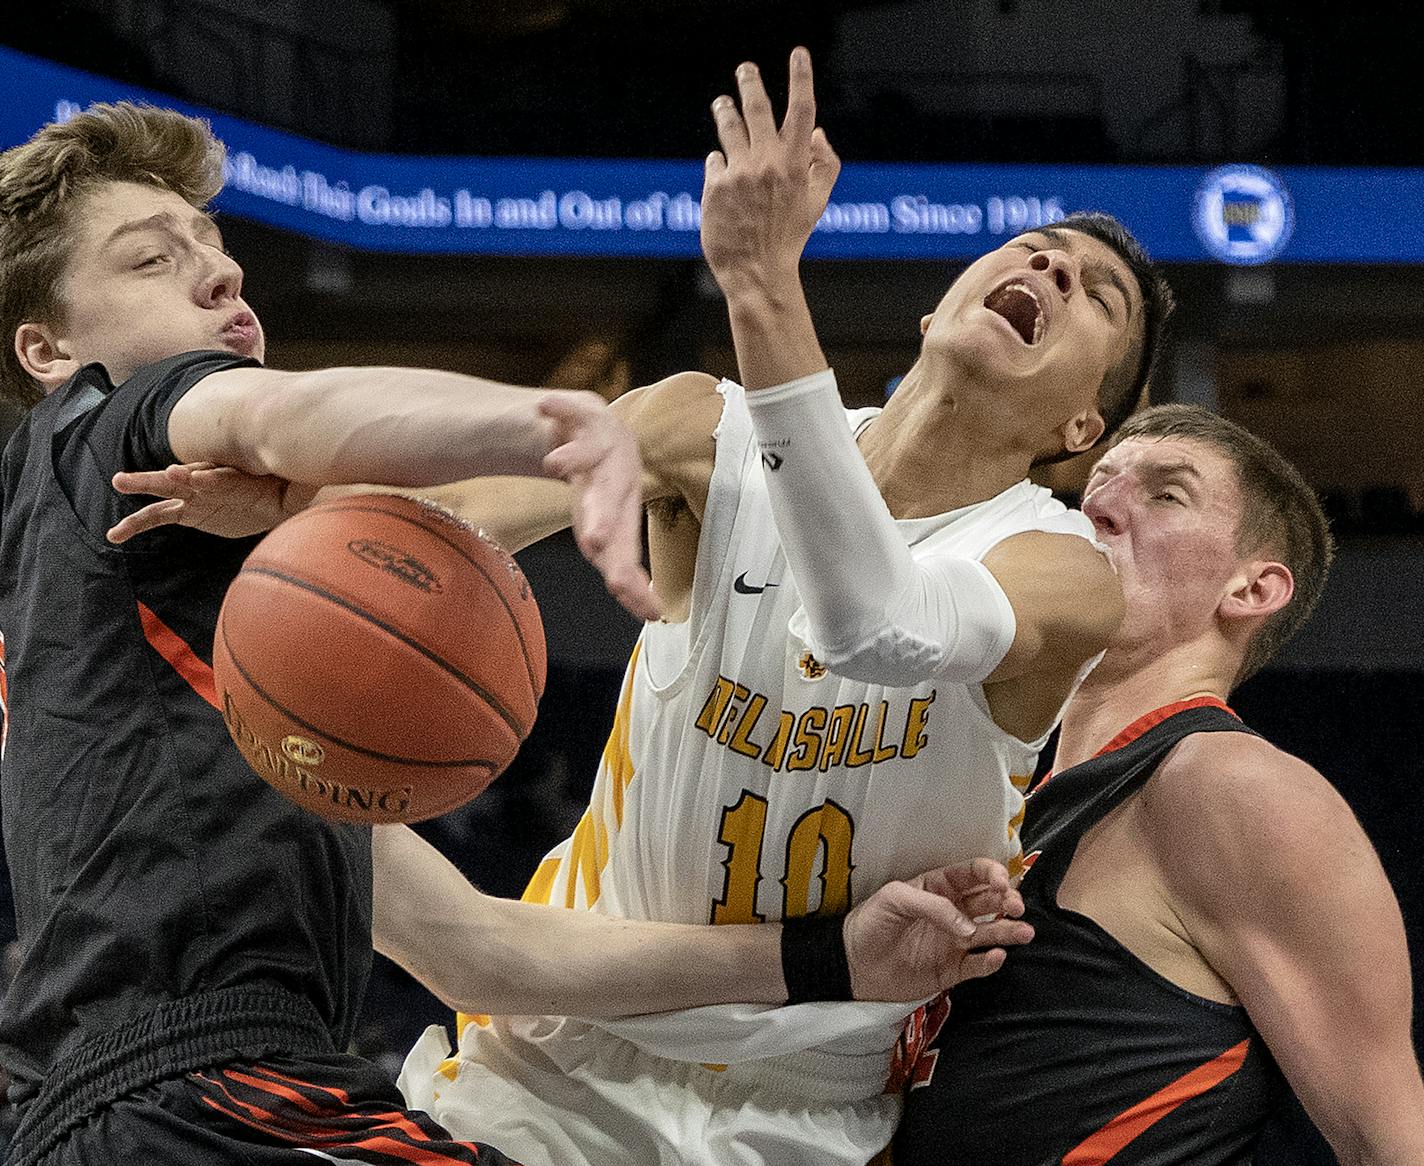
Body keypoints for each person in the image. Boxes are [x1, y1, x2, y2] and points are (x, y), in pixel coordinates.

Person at [0, 101, 1034, 1166]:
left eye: (217, 252)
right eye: (150, 262)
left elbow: (477, 949)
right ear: (49, 346)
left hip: (124, 1112)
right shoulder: (105, 426)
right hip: (207, 1100)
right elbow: (285, 417)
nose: (221, 278)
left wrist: (830, 957)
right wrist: (566, 427)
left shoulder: (242, 673)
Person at [889, 405, 1424, 1164]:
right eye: (1097, 484)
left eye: (1166, 494)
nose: (1096, 506)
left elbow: (1394, 1145)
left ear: (1250, 589)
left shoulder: (1230, 786)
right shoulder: (1014, 804)